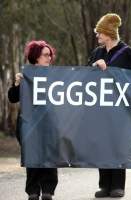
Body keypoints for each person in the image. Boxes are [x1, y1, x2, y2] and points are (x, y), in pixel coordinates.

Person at [88, 13, 131, 198]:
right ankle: (104, 185)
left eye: (100, 33)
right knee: (102, 145)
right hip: (100, 107)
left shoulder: (127, 53)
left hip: (120, 108)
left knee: (117, 144)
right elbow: (86, 78)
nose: (97, 36)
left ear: (108, 33)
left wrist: (107, 70)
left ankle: (118, 185)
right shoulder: (97, 53)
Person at [8, 40, 58, 200]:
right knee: (33, 156)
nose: (49, 58)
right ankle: (33, 191)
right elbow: (12, 98)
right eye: (45, 55)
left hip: (50, 123)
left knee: (49, 156)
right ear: (36, 57)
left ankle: (48, 190)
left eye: (49, 55)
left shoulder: (57, 76)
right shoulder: (26, 75)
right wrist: (16, 84)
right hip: (29, 124)